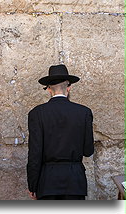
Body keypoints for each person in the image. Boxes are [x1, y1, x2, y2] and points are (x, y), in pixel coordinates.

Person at [27, 64, 94, 200]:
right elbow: (88, 151)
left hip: (47, 183)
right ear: (69, 87)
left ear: (49, 89)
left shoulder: (36, 113)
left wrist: (32, 185)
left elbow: (34, 154)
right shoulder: (84, 112)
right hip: (75, 182)